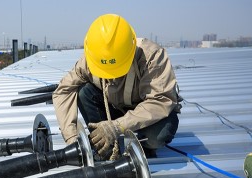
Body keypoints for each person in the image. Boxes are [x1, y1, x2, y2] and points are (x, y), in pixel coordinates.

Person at [52, 14, 181, 160]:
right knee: (83, 92)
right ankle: (103, 143)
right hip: (114, 109)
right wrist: (72, 139)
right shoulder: (92, 58)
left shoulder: (152, 56)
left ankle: (144, 148)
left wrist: (117, 126)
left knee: (159, 134)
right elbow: (63, 90)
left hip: (146, 115)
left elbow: (160, 100)